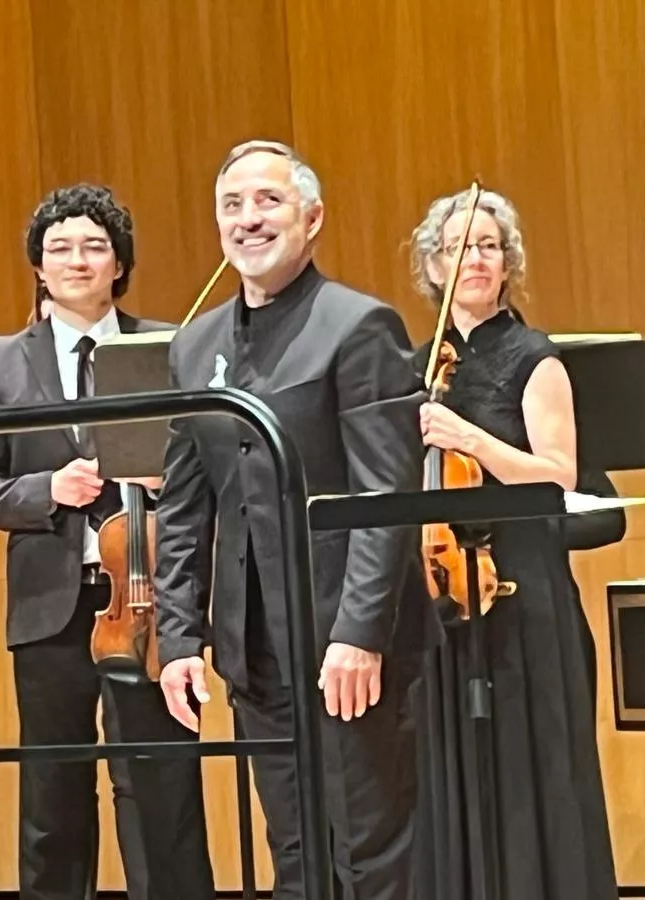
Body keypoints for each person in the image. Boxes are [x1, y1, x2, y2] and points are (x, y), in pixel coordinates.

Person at [151, 140, 433, 899]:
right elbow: (184, 504)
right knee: (296, 856)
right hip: (254, 650)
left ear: (311, 217)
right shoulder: (193, 345)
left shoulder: (360, 325)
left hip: (344, 642)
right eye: (232, 205)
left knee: (372, 854)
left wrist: (359, 633)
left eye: (268, 201)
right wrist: (177, 635)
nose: (249, 219)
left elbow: (387, 494)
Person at [0, 184, 216, 900]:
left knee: (163, 794)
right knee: (53, 800)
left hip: (153, 604)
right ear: (38, 267)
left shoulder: (168, 344)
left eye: (94, 245)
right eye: (59, 247)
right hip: (50, 613)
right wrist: (45, 491)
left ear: (119, 264)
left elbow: (207, 471)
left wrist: (166, 479)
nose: (77, 258)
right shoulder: (4, 360)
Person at [405, 187, 616, 899]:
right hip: (445, 599)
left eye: (489, 246)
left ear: (507, 264)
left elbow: (557, 477)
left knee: (535, 777)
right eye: (458, 247)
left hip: (525, 597)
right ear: (433, 267)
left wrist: (469, 437)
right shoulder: (417, 368)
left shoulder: (535, 357)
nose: (474, 258)